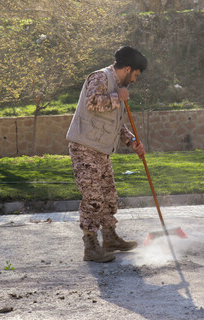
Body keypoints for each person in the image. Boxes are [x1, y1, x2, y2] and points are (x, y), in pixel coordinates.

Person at [66, 46, 147, 263]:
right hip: (85, 148)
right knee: (93, 198)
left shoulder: (117, 88)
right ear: (128, 69)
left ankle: (110, 238)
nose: (135, 80)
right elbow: (91, 103)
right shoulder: (100, 77)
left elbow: (115, 124)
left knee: (109, 196)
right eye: (136, 75)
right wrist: (116, 97)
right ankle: (91, 247)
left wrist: (131, 142)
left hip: (101, 151)